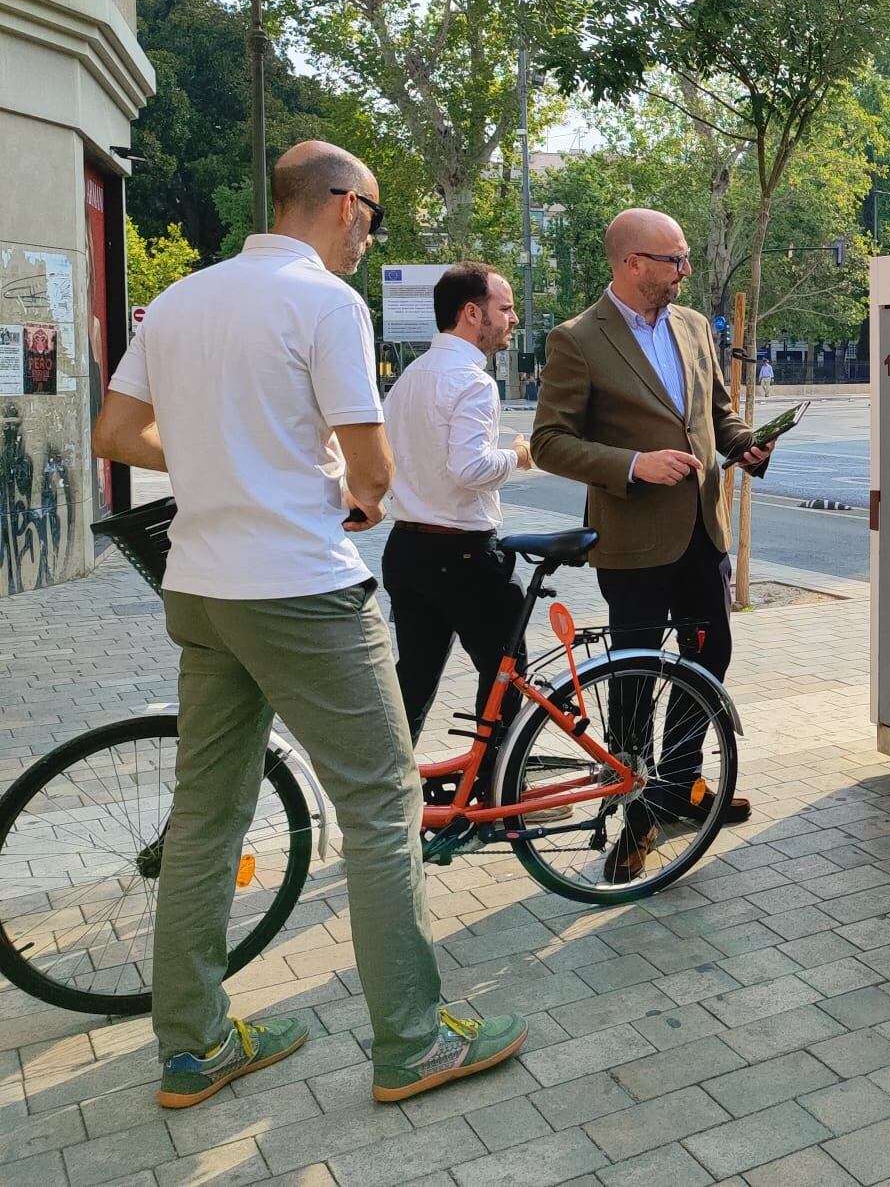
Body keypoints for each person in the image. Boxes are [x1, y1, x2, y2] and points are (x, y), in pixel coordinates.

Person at [91, 142, 526, 1111]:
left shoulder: (183, 302)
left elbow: (118, 436)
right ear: (339, 205)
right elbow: (370, 477)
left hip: (201, 587)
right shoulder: (327, 304)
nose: (371, 233)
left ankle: (194, 1047)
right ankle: (411, 1042)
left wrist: (218, 468)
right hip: (298, 588)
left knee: (205, 817)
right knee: (381, 807)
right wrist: (343, 495)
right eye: (371, 213)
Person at [531, 209, 776, 882]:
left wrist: (743, 442)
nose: (685, 272)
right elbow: (549, 441)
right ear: (630, 262)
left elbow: (716, 412)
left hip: (702, 528)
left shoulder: (694, 326)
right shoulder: (577, 339)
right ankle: (633, 817)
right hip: (633, 541)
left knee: (708, 658)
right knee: (634, 682)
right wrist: (634, 465)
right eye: (674, 260)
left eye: (685, 258)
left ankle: (678, 788)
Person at [381, 262, 533, 765]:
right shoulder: (472, 381)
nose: (514, 319)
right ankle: (500, 784)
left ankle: (390, 793)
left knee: (416, 676)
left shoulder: (409, 378)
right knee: (505, 673)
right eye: (505, 308)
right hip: (464, 552)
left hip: (407, 549)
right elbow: (470, 468)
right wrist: (518, 456)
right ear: (472, 313)